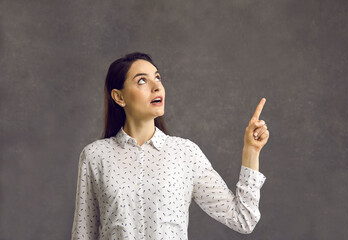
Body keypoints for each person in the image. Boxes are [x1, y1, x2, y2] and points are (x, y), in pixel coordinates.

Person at [71, 52, 269, 240]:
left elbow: (243, 219)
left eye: (157, 78)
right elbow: (83, 234)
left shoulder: (185, 153)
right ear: (119, 97)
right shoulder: (95, 156)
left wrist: (251, 151)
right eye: (142, 80)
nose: (156, 86)